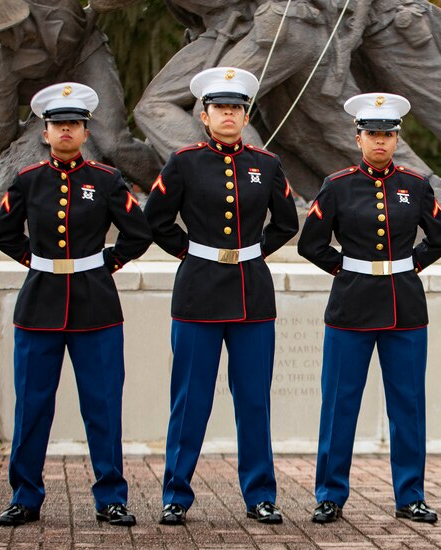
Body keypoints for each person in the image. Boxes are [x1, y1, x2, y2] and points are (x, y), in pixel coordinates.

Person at [0, 82, 152, 527]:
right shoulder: (27, 181)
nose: (65, 131)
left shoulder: (105, 180)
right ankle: (25, 496)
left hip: (95, 307)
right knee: (33, 406)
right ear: (45, 133)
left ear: (85, 132)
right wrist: (38, 262)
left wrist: (105, 265)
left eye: (74, 125)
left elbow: (138, 233)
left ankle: (111, 498)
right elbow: (3, 234)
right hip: (40, 305)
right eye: (58, 124)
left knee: (102, 406)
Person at [143, 67, 298, 526]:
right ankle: (176, 494)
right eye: (219, 109)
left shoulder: (266, 165)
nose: (228, 115)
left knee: (254, 400)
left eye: (236, 108)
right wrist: (191, 254)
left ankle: (260, 496)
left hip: (252, 295)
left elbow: (286, 223)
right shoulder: (184, 162)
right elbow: (157, 219)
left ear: (245, 114)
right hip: (198, 293)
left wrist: (250, 255)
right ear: (205, 116)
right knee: (190, 400)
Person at [298, 93, 441, 524]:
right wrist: (346, 270)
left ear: (397, 139)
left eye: (387, 135)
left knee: (408, 404)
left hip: (404, 307)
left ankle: (411, 495)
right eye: (372, 135)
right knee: (339, 405)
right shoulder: (338, 184)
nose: (380, 142)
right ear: (358, 138)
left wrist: (407, 267)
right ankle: (330, 494)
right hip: (350, 307)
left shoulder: (416, 185)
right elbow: (311, 243)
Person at [0, 0, 160, 188]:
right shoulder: (0, 65)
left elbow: (94, 10)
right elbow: (3, 122)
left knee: (115, 144)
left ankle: (165, 186)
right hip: (42, 84)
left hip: (85, 59)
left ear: (13, 22)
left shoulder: (54, 5)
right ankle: (28, 148)